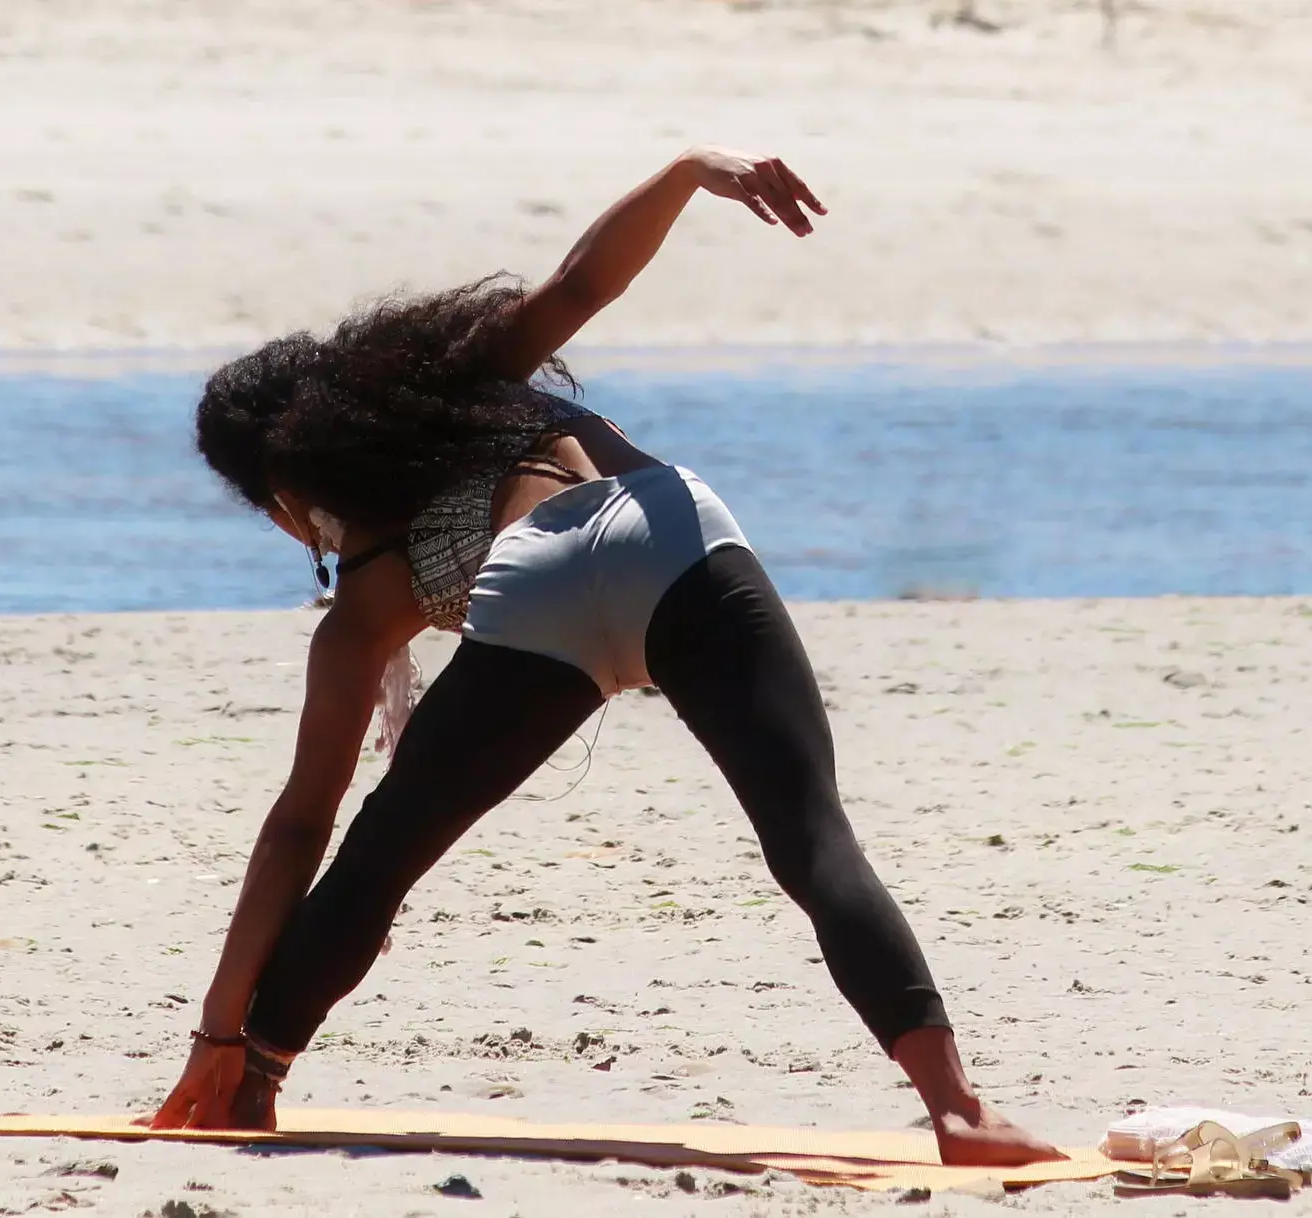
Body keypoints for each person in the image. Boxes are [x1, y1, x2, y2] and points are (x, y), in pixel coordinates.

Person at [148, 146, 1063, 1167]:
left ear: (284, 496)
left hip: (537, 592)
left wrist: (220, 1033)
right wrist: (687, 174)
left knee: (379, 858)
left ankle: (250, 1084)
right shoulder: (465, 383)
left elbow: (296, 834)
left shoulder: (365, 596)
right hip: (670, 536)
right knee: (811, 839)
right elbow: (585, 282)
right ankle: (958, 1111)